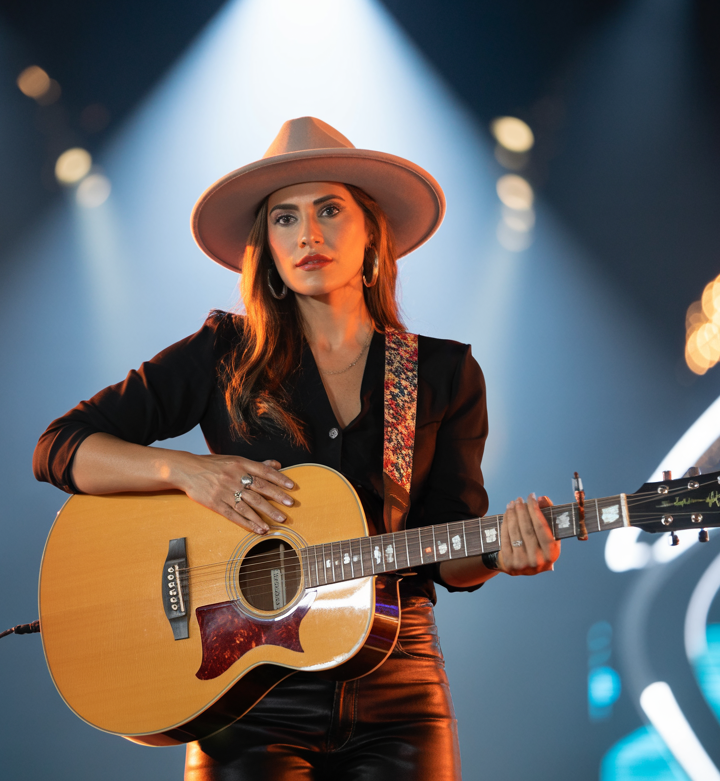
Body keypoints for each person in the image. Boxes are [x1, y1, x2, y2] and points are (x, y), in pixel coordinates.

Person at [33, 117, 559, 780]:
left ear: (372, 234)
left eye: (330, 209)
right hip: (241, 689)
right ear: (268, 249)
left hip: (397, 688)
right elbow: (59, 447)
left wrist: (499, 554)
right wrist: (187, 472)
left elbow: (444, 552)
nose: (308, 233)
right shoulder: (223, 353)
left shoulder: (443, 374)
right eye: (285, 218)